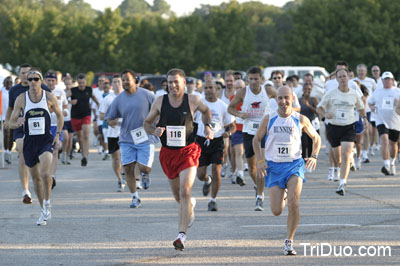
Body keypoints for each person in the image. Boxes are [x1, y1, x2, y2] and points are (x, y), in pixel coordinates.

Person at [144, 68, 213, 251]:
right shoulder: (160, 101)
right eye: (170, 82)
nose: (173, 85)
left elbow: (207, 112)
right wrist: (154, 131)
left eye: (176, 82)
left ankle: (181, 236)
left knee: (185, 191)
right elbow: (147, 123)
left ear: (184, 83)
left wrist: (208, 127)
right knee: (178, 196)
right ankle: (189, 206)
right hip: (168, 154)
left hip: (188, 151)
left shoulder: (193, 100)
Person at [253, 86, 321, 255]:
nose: (283, 102)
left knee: (294, 203)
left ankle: (289, 241)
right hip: (274, 167)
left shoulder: (301, 119)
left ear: (292, 98)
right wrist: (260, 161)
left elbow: (316, 137)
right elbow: (256, 139)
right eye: (280, 98)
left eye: (286, 98)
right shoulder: (269, 119)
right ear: (276, 100)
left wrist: (314, 156)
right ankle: (283, 195)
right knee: (276, 211)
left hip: (294, 165)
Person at [8, 69, 64, 225]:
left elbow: (60, 116)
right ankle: (43, 209)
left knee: (46, 174)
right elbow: (11, 122)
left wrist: (58, 134)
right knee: (36, 178)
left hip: (45, 140)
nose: (33, 82)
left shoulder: (49, 98)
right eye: (30, 79)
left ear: (41, 81)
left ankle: (47, 202)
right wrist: (17, 122)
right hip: (29, 142)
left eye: (36, 79)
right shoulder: (21, 99)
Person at [106, 69, 155, 207]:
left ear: (134, 80)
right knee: (128, 168)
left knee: (144, 168)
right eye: (124, 80)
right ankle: (135, 197)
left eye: (128, 79)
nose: (126, 82)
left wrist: (153, 122)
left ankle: (145, 175)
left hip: (145, 137)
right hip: (127, 138)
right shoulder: (119, 99)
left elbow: (159, 110)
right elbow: (109, 117)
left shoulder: (147, 95)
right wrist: (111, 122)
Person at [5, 63, 51, 204]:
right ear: (19, 75)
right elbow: (10, 109)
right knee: (21, 151)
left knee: (40, 168)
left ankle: (41, 183)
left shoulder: (42, 88)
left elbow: (52, 106)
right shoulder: (15, 91)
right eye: (23, 73)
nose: (26, 76)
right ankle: (25, 190)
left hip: (40, 132)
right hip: (22, 127)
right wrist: (8, 122)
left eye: (28, 73)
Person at [317, 68, 367, 196]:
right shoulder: (331, 93)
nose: (343, 79)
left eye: (345, 76)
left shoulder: (354, 93)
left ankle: (342, 183)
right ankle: (344, 165)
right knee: (338, 157)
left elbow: (361, 108)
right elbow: (319, 108)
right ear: (337, 79)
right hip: (334, 127)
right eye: (340, 77)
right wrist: (325, 114)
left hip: (349, 126)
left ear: (348, 78)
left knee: (345, 153)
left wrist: (365, 119)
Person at [228, 66, 270, 211]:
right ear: (247, 79)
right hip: (249, 132)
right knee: (252, 167)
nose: (253, 82)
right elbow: (230, 108)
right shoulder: (243, 92)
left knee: (262, 163)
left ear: (261, 79)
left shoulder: (268, 90)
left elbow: (281, 102)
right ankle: (259, 186)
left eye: (256, 79)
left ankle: (260, 196)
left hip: (265, 131)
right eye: (250, 79)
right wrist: (240, 115)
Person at [196, 79, 235, 211]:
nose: (207, 90)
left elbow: (233, 126)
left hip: (217, 140)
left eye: (210, 88)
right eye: (205, 88)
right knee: (200, 174)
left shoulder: (223, 106)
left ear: (216, 89)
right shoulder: (198, 104)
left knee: (216, 170)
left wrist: (228, 133)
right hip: (201, 140)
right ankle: (208, 181)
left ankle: (213, 200)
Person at [368, 72, 400, 175]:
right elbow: (370, 102)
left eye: (389, 79)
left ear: (392, 80)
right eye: (385, 79)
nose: (387, 81)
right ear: (382, 81)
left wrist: (397, 103)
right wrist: (372, 107)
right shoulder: (377, 92)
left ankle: (392, 163)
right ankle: (386, 165)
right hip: (381, 120)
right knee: (384, 140)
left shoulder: (397, 92)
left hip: (395, 121)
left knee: (393, 143)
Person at [100, 74, 125, 191]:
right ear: (111, 85)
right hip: (112, 132)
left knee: (126, 156)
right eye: (114, 82)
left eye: (119, 82)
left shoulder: (128, 96)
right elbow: (101, 115)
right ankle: (120, 179)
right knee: (116, 158)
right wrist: (110, 120)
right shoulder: (108, 98)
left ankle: (128, 176)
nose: (117, 84)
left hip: (126, 131)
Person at [45, 70, 68, 189]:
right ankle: (45, 174)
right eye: (48, 80)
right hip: (45, 125)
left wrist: (66, 111)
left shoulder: (60, 91)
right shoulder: (42, 91)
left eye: (53, 80)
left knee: (55, 149)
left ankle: (52, 176)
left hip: (56, 124)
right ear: (45, 80)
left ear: (56, 81)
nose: (51, 82)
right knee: (44, 152)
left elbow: (65, 104)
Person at [70, 73, 99, 166]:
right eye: (79, 83)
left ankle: (85, 156)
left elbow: (93, 97)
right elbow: (63, 98)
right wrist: (70, 101)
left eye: (83, 83)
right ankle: (83, 153)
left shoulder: (89, 89)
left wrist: (98, 104)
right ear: (77, 82)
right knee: (79, 137)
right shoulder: (73, 90)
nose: (81, 85)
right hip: (75, 116)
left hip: (86, 114)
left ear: (85, 82)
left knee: (86, 135)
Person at [353, 64, 377, 164]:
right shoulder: (353, 81)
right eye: (359, 71)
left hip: (367, 110)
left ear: (366, 72)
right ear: (357, 71)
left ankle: (365, 153)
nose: (361, 72)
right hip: (355, 110)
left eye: (362, 71)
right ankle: (355, 151)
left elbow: (376, 93)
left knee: (367, 132)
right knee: (357, 133)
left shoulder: (371, 81)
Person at [299, 83, 319, 158]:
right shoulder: (299, 100)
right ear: (303, 90)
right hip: (302, 123)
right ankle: (303, 159)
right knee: (303, 142)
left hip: (312, 122)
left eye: (309, 89)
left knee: (311, 141)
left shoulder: (313, 99)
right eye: (305, 89)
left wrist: (309, 105)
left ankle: (310, 159)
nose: (307, 91)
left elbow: (318, 111)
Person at [61, 76, 75, 165]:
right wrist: (67, 97)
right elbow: (60, 102)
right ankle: (63, 154)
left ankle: (67, 155)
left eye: (70, 84)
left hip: (72, 118)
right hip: (64, 119)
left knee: (70, 140)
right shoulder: (62, 92)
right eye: (66, 84)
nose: (68, 86)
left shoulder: (75, 92)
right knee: (65, 137)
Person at [1, 76, 13, 164]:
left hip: (12, 116)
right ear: (4, 83)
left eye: (10, 83)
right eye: (7, 82)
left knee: (11, 135)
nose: (9, 84)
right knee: (6, 134)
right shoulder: (1, 91)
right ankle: (5, 151)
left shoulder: (13, 91)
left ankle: (9, 151)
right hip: (3, 117)